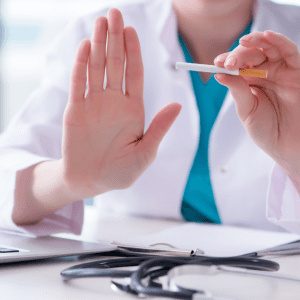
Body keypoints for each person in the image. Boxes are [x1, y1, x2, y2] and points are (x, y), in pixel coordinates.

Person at [1, 0, 300, 236]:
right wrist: (70, 179)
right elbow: (6, 181)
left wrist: (295, 161)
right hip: (127, 275)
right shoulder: (98, 35)